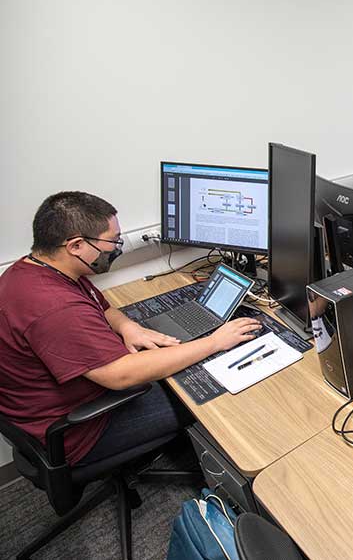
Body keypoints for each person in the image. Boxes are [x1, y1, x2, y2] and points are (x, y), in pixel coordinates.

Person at [0, 192, 261, 466]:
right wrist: (215, 342)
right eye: (112, 241)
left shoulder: (37, 270)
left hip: (62, 401)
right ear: (76, 245)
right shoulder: (54, 308)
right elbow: (121, 376)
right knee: (205, 398)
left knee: (179, 371)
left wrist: (129, 327)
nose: (116, 248)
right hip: (83, 428)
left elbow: (101, 306)